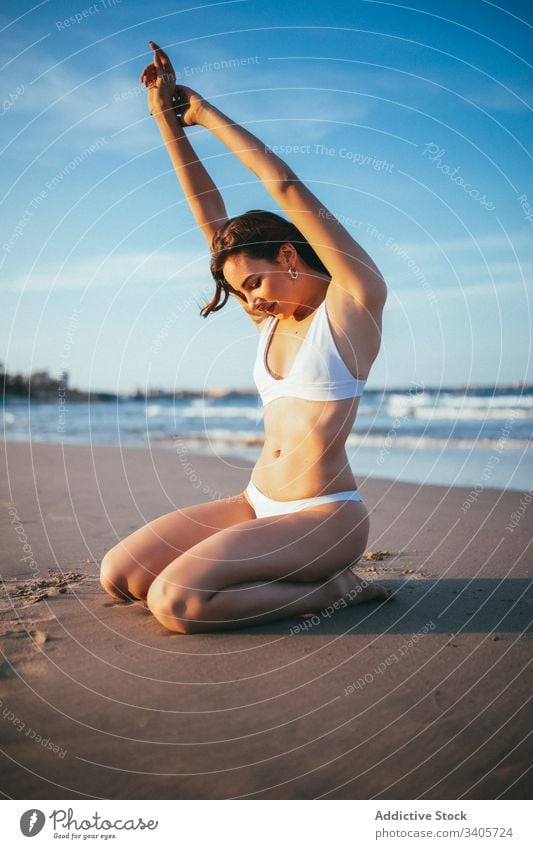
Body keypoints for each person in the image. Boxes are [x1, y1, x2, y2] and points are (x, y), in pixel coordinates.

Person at [100, 41, 391, 633]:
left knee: (176, 603)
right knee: (122, 574)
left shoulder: (354, 302)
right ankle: (283, 576)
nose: (250, 300)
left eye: (255, 281)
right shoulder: (269, 319)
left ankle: (333, 588)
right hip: (257, 503)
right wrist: (165, 120)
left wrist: (205, 114)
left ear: (289, 255)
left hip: (324, 516)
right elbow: (208, 215)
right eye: (240, 291)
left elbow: (283, 187)